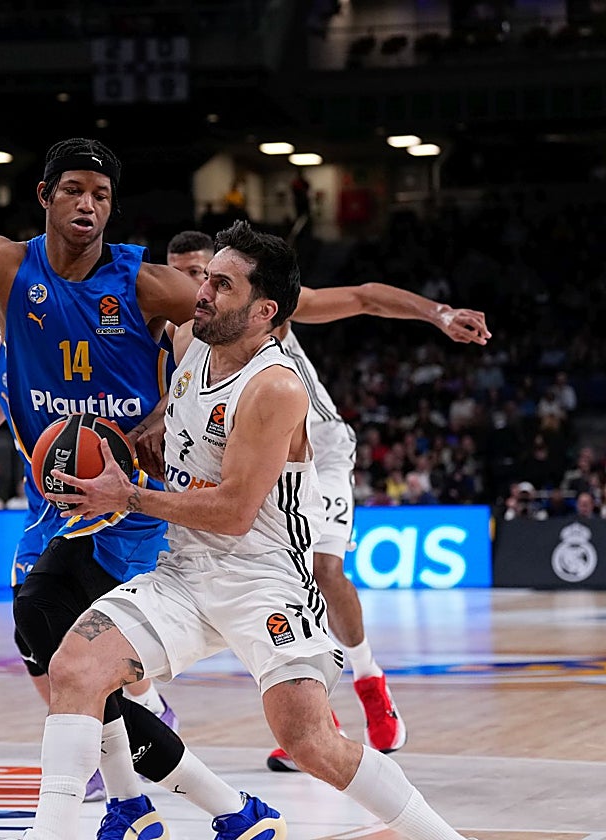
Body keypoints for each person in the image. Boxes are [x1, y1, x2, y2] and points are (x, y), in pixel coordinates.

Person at [29, 221, 474, 840]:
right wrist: (143, 442)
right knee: (74, 667)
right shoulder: (190, 339)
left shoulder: (275, 386)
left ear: (265, 311)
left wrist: (129, 496)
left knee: (311, 743)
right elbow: (180, 420)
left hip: (264, 579)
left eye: (221, 285)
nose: (201, 292)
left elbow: (235, 511)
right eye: (205, 279)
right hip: (184, 572)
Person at [0, 101, 199, 823]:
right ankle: (140, 772)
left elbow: (241, 328)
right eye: (74, 190)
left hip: (127, 501)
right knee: (39, 639)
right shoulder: (4, 263)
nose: (88, 204)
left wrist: (168, 408)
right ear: (45, 197)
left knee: (73, 648)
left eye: (102, 195)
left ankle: (151, 785)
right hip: (54, 496)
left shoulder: (144, 283)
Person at [163, 230, 492, 771]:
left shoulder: (268, 311)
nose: (196, 287)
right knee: (257, 576)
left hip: (319, 452)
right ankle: (318, 722)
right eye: (184, 276)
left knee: (322, 568)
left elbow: (363, 297)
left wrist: (439, 314)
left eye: (206, 275)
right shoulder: (185, 332)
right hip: (243, 457)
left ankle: (370, 682)